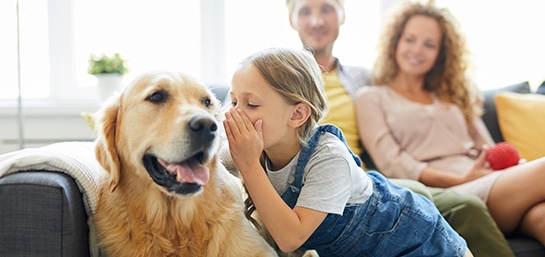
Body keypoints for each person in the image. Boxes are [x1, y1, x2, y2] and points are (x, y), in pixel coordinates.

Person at [285, 0, 514, 256]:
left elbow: (405, 83)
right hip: (318, 178)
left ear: (342, 16)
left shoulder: (361, 78)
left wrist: (463, 91)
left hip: (363, 178)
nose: (316, 21)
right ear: (291, 19)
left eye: (326, 9)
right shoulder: (280, 77)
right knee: (442, 200)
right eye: (305, 11)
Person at [224, 46, 471, 257]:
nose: (234, 113)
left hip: (418, 243)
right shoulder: (255, 148)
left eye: (251, 104)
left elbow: (291, 238)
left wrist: (249, 165)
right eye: (233, 102)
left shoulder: (329, 157)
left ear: (297, 114)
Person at [356, 1, 545, 247]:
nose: (417, 50)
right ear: (395, 42)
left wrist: (511, 170)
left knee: (541, 216)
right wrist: (461, 180)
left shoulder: (453, 95)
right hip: (449, 193)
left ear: (441, 52)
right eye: (410, 39)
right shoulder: (371, 97)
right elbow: (394, 164)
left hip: (489, 183)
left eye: (429, 44)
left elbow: (487, 148)